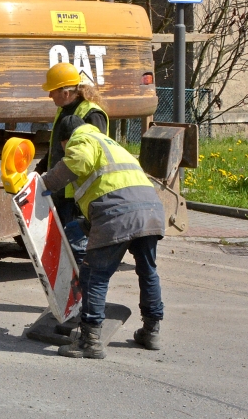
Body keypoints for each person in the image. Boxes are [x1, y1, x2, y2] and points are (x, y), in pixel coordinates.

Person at [41, 115, 166, 359]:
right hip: (150, 209)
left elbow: (79, 161)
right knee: (148, 270)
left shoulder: (82, 140)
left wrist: (44, 183)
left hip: (117, 212)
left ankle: (90, 341)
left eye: (62, 147)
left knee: (94, 275)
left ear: (65, 140)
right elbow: (111, 182)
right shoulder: (109, 142)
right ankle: (151, 331)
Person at [42, 62, 109, 264]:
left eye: (52, 90)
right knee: (65, 246)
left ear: (66, 91)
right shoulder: (64, 110)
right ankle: (70, 289)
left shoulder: (91, 114)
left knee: (78, 249)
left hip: (79, 194)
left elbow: (91, 155)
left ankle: (81, 288)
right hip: (63, 191)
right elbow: (56, 148)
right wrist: (40, 171)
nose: (49, 95)